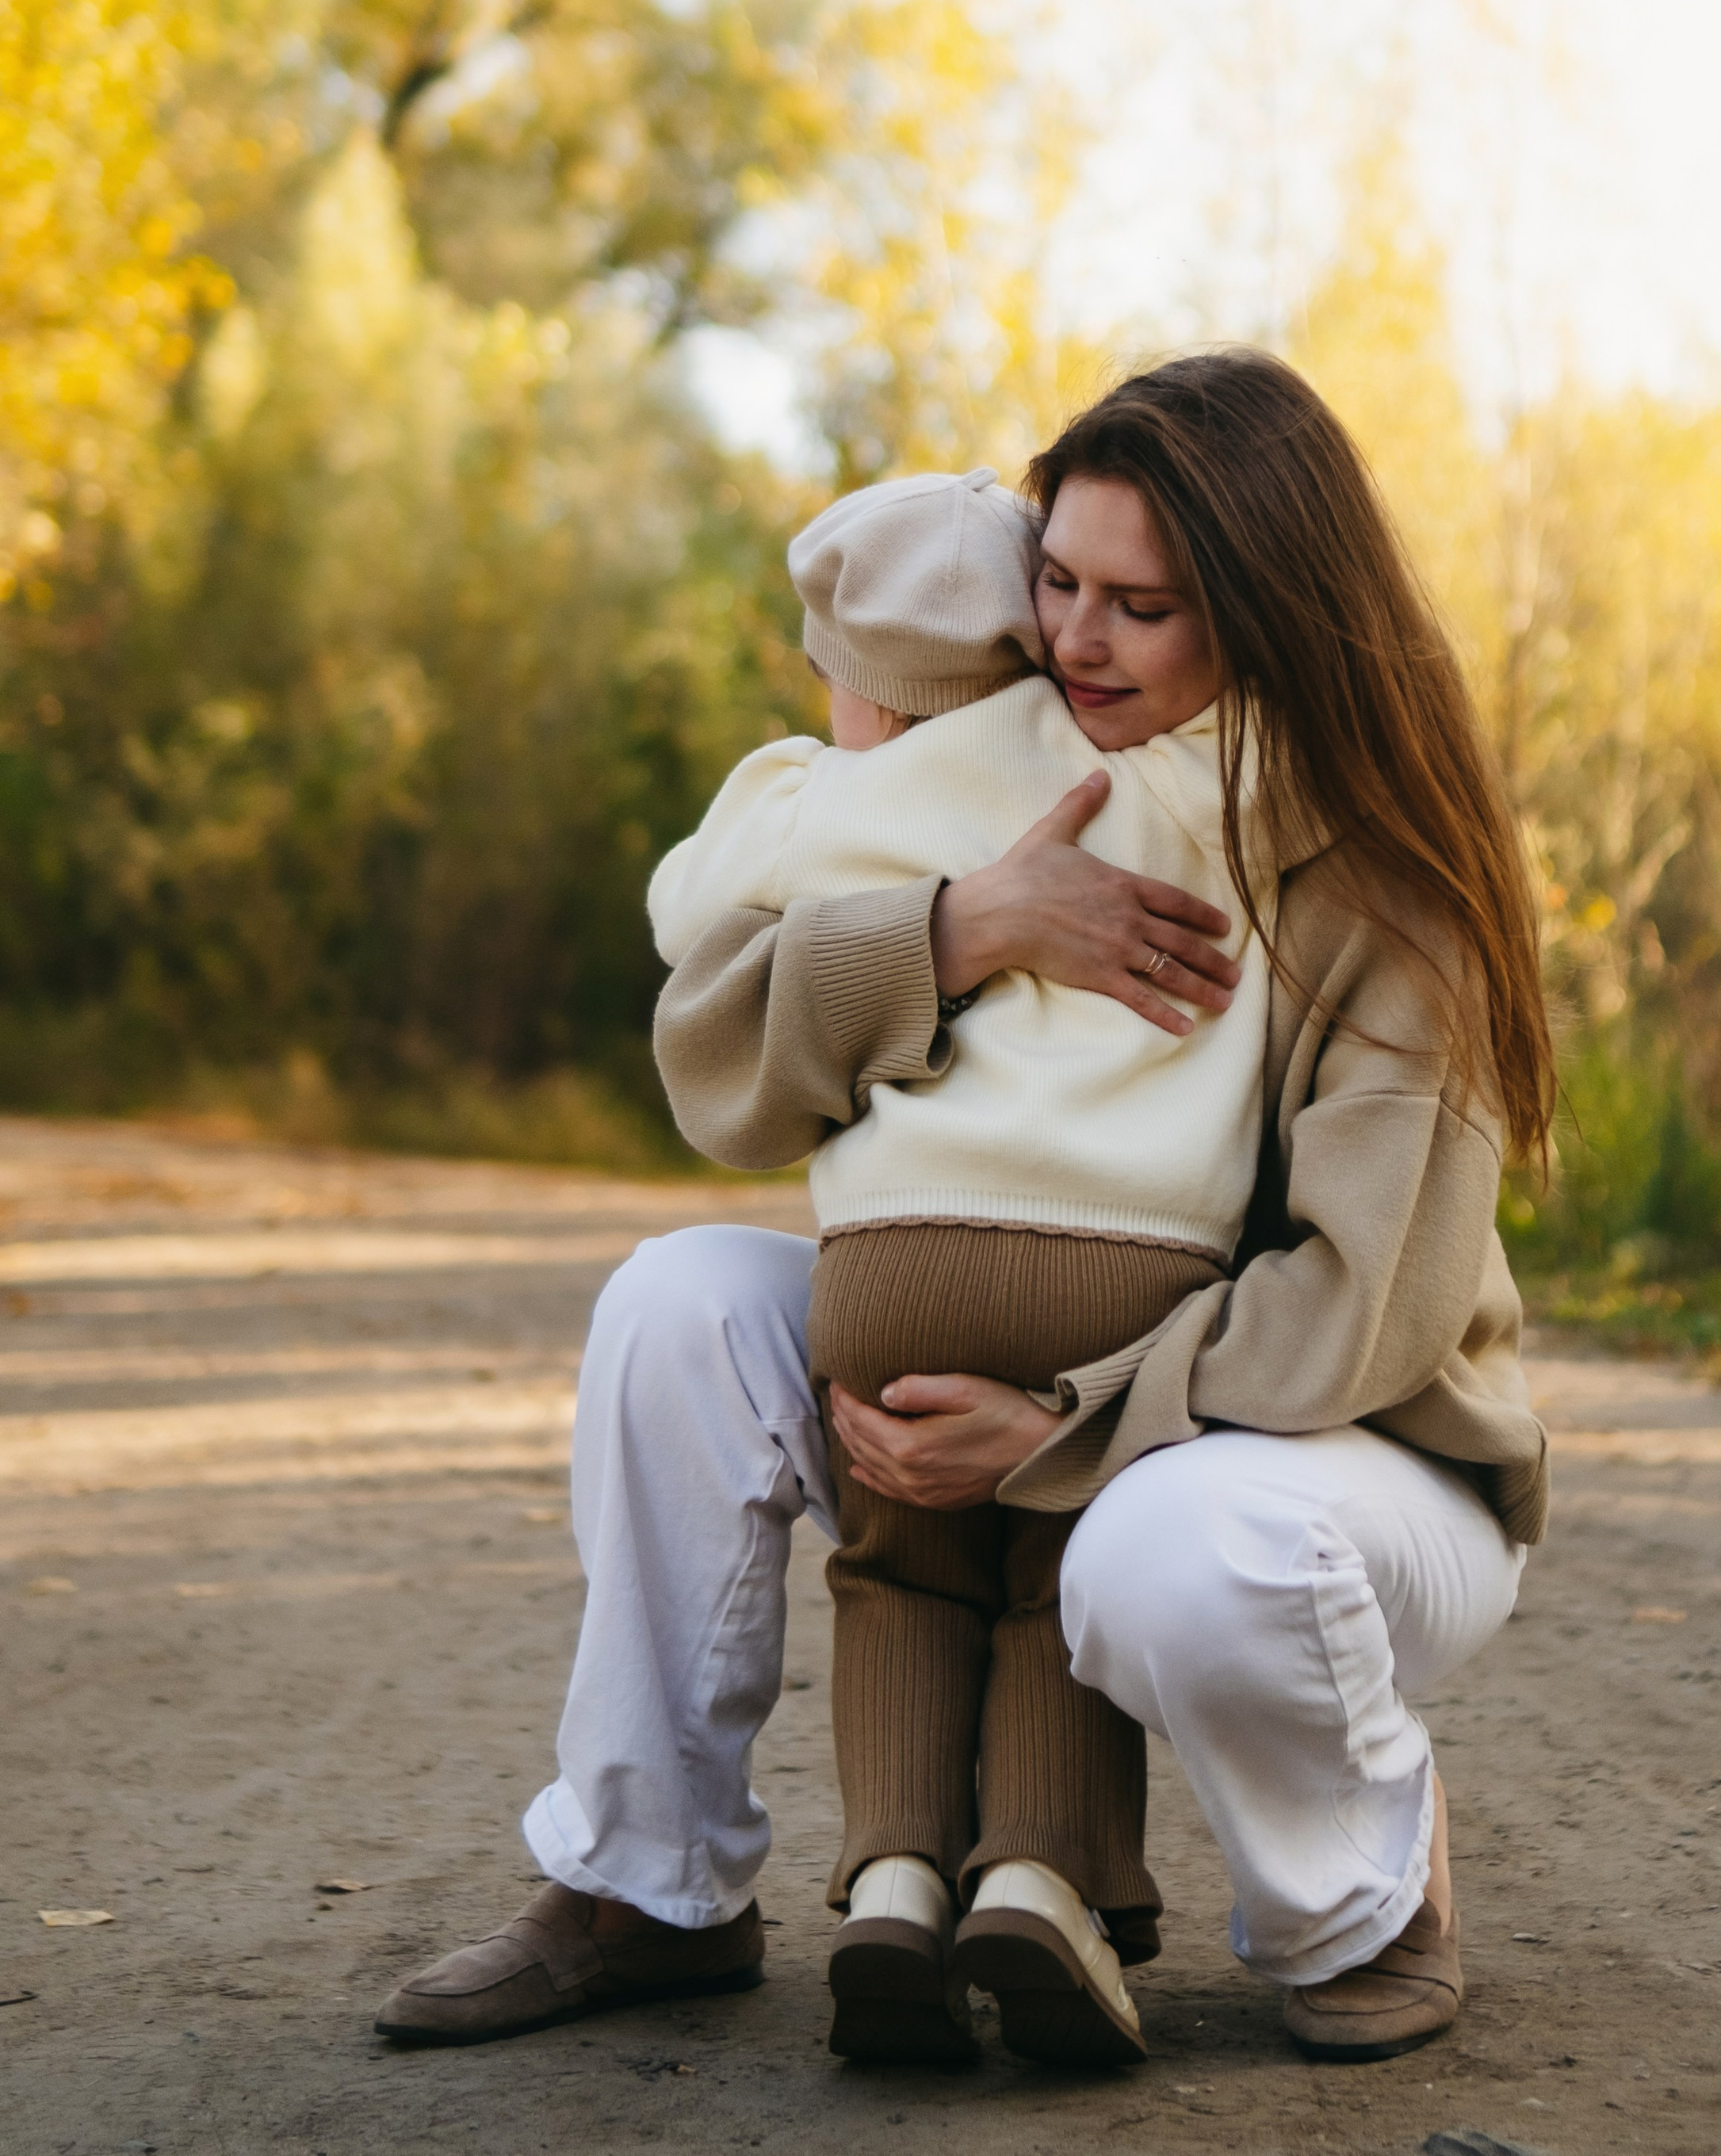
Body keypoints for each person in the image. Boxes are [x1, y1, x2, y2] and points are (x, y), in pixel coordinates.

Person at [374, 349, 1551, 2072]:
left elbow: (1362, 1304)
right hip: (1081, 1366)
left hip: (1340, 1461)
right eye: (1054, 583)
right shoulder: (992, 793)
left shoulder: (1378, 870)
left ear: (1270, 611)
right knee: (676, 1304)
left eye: (1141, 606)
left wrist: (1061, 1426)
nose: (1074, 642)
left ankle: (1364, 1900)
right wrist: (962, 927)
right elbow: (718, 1069)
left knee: (1170, 1549)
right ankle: (650, 1884)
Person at [646, 462, 1279, 2066]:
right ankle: (1046, 1881)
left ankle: (891, 1886)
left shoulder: (821, 796)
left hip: (894, 1264)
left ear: (839, 674)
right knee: (1055, 1569)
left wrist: (819, 804)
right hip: (1127, 1270)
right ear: (1028, 625)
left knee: (900, 1565)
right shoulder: (1200, 762)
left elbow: (685, 915)